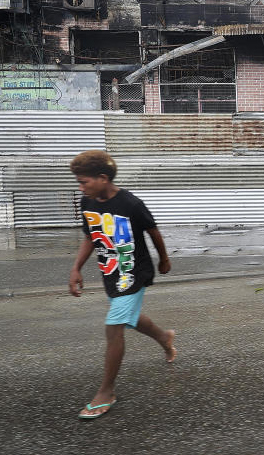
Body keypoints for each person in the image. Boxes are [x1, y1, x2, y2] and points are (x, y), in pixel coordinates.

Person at [68, 150, 176, 419]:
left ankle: (106, 391)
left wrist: (163, 259)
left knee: (114, 326)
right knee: (131, 317)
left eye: (84, 182)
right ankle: (164, 337)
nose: (81, 187)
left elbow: (153, 231)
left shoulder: (130, 204)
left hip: (134, 272)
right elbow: (90, 237)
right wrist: (76, 268)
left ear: (102, 178)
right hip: (110, 273)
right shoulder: (88, 202)